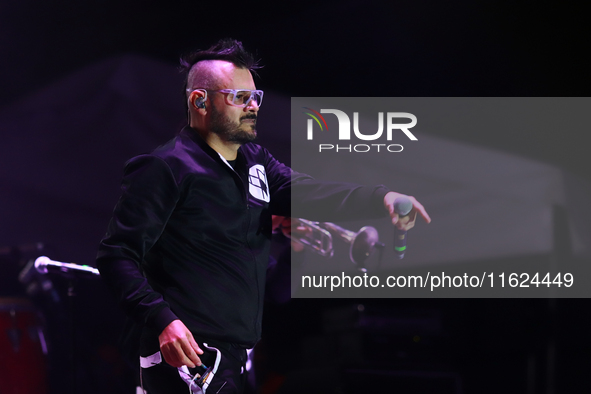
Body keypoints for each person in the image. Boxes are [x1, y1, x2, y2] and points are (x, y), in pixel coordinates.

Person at [96, 38, 430, 394]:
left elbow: (309, 192)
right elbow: (117, 254)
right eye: (239, 97)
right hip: (186, 357)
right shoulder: (165, 167)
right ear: (200, 101)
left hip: (234, 359)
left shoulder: (255, 162)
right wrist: (162, 320)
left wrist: (382, 198)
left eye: (255, 97)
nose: (253, 106)